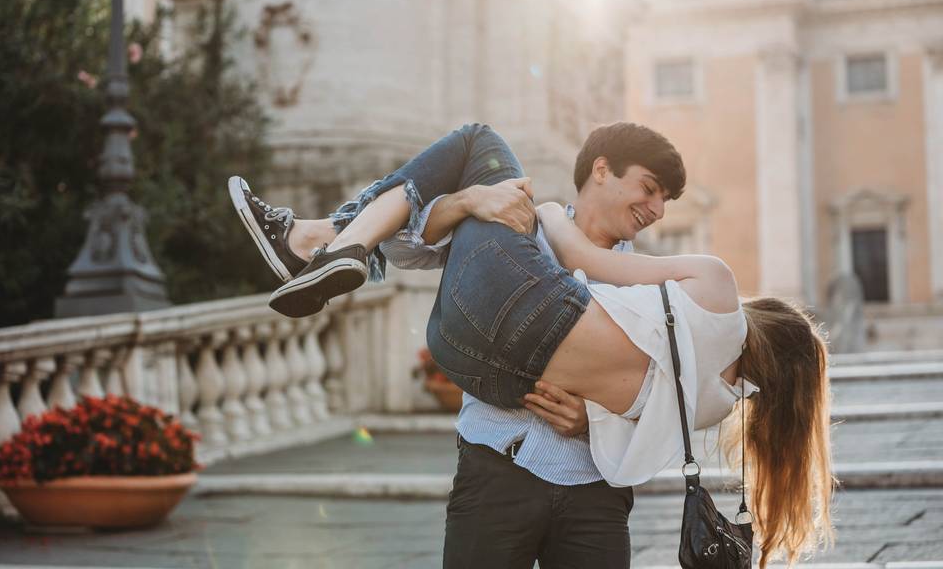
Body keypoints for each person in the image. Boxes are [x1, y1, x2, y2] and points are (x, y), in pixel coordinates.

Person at [229, 123, 834, 568]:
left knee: (475, 145)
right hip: (497, 464)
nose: (654, 210)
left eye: (664, 201)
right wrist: (471, 201)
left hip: (591, 489)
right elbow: (409, 248)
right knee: (479, 195)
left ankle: (317, 239)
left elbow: (646, 430)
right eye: (648, 189)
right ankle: (332, 244)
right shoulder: (513, 228)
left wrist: (591, 418)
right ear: (601, 168)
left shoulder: (660, 289)